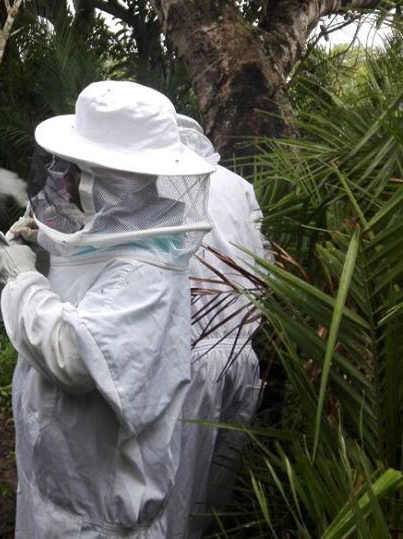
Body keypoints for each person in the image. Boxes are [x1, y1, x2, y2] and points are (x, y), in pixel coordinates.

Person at [0, 80, 214, 537]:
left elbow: (73, 353)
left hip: (98, 521)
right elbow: (89, 278)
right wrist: (48, 244)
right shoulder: (116, 233)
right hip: (57, 496)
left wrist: (23, 279)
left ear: (110, 180)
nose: (64, 177)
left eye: (76, 168)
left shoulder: (146, 271)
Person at [163, 114, 267, 538]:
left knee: (175, 492)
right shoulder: (241, 187)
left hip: (193, 358)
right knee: (214, 493)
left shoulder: (163, 182)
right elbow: (268, 266)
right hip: (246, 357)